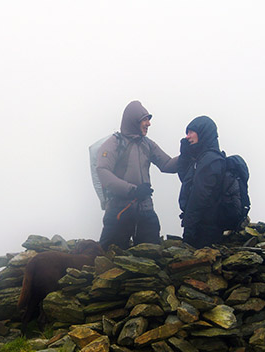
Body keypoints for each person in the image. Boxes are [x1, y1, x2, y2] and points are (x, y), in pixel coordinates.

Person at [96, 100, 179, 250]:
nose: (148, 124)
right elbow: (102, 171)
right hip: (119, 210)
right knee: (109, 259)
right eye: (145, 119)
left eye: (149, 120)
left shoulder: (147, 144)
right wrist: (132, 190)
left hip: (145, 209)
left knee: (152, 258)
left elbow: (166, 164)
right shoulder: (114, 143)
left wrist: (187, 154)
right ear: (134, 120)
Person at [177, 115, 226, 248]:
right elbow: (186, 181)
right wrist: (184, 155)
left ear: (203, 133)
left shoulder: (210, 160)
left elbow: (198, 197)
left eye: (191, 132)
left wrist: (189, 230)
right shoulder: (202, 159)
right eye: (187, 132)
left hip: (206, 230)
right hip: (203, 226)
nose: (188, 136)